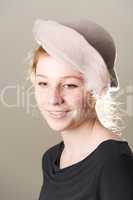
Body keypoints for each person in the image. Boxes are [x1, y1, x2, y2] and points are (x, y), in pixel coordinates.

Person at [29, 18, 133, 200]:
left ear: (96, 90)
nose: (53, 99)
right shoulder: (51, 159)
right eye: (43, 83)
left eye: (69, 85)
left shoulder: (113, 163)